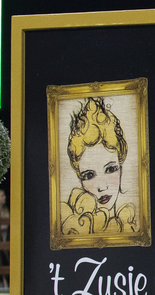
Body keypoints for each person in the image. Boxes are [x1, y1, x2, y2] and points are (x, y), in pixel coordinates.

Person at [59, 97, 139, 237]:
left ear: (121, 167)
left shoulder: (131, 224)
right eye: (89, 175)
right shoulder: (69, 226)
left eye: (110, 169)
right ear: (79, 179)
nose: (102, 187)